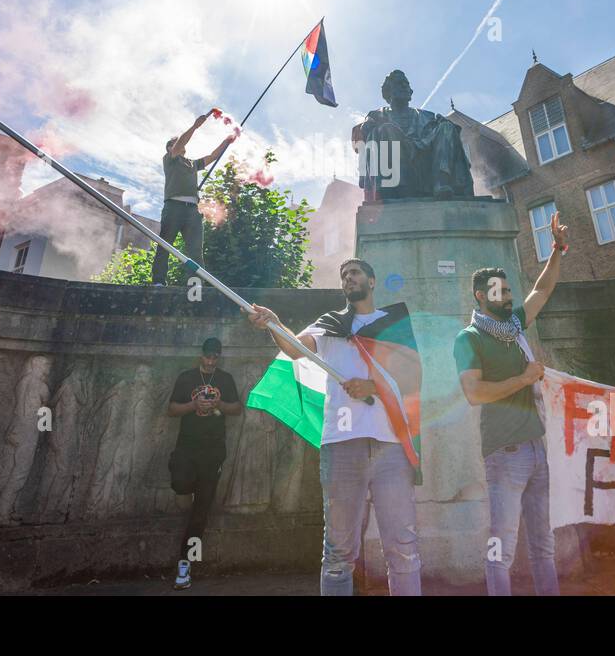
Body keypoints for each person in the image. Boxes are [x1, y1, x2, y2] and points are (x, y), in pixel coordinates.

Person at [248, 258, 422, 596]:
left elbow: (413, 375)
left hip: (390, 446)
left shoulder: (395, 322)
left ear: (372, 281)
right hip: (342, 446)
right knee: (339, 552)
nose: (348, 279)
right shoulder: (329, 324)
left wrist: (372, 387)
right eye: (343, 275)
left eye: (354, 273)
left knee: (403, 546)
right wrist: (273, 322)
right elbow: (294, 349)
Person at [456, 214, 568, 596]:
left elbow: (542, 290)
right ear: (480, 296)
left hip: (537, 449)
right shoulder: (468, 339)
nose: (506, 296)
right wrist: (523, 378)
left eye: (507, 290)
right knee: (499, 547)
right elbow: (474, 393)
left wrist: (557, 250)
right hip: (505, 454)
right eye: (498, 291)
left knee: (544, 546)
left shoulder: (515, 326)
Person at [166, 337, 241, 590]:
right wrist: (192, 405)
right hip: (187, 447)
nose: (210, 361)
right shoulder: (187, 377)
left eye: (215, 357)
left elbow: (237, 408)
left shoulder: (225, 379)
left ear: (219, 357)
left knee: (202, 510)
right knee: (181, 481)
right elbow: (171, 409)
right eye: (207, 356)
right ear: (201, 355)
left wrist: (219, 404)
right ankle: (184, 495)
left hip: (213, 451)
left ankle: (184, 566)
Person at [151, 113, 230, 285]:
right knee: (165, 245)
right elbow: (181, 143)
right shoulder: (170, 160)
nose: (179, 145)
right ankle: (158, 281)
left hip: (192, 211)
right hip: (173, 207)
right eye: (174, 144)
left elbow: (212, 156)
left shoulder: (192, 164)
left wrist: (226, 142)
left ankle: (196, 286)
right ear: (169, 148)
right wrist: (195, 126)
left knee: (195, 251)